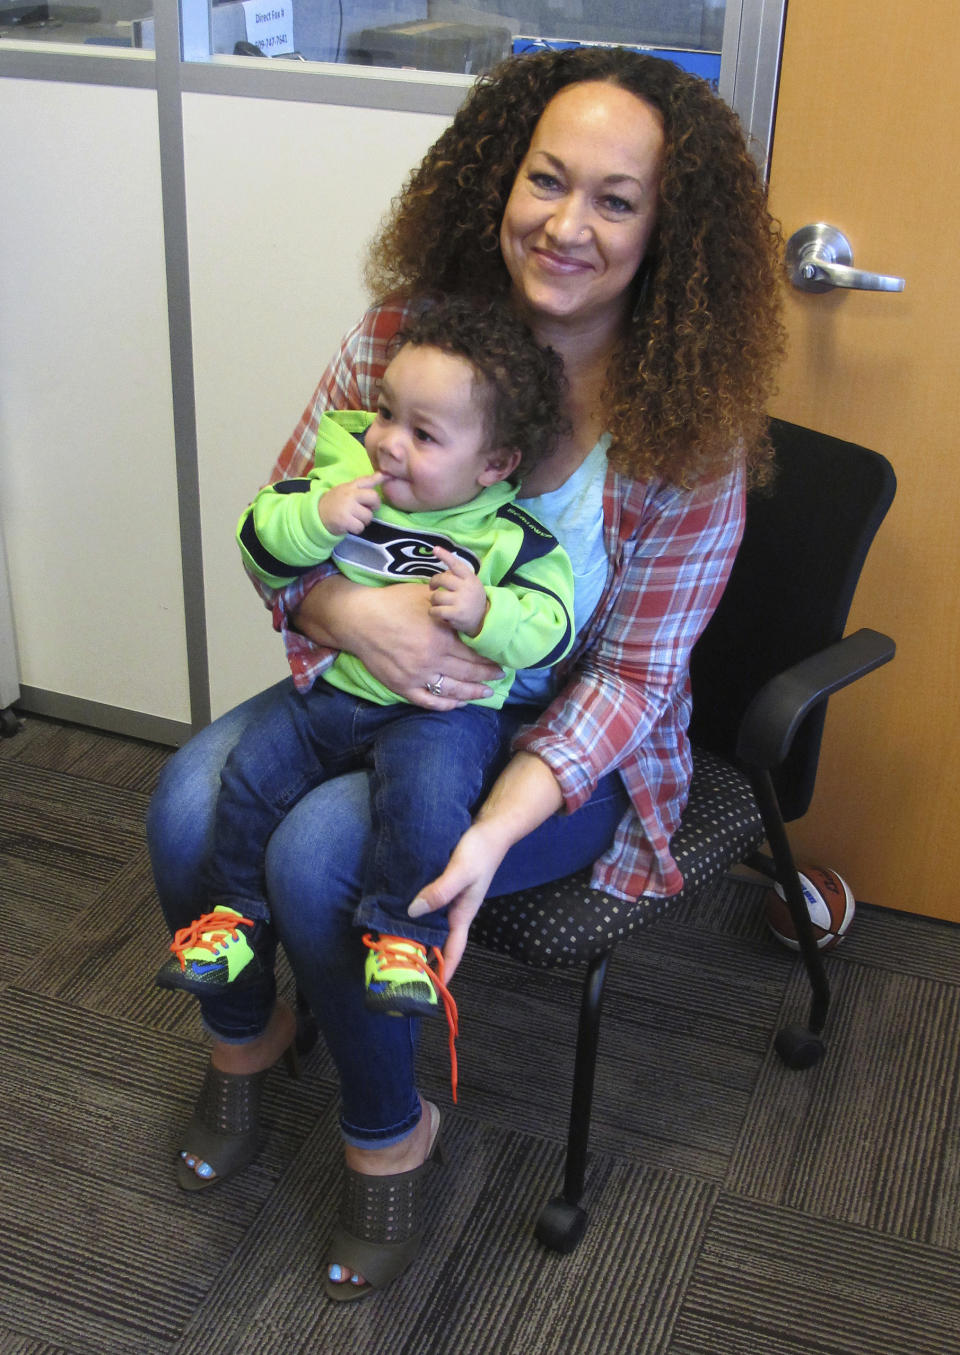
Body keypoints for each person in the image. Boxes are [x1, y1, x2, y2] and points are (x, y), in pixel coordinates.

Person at [147, 45, 783, 1301]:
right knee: (181, 797)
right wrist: (348, 610)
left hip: (555, 752)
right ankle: (247, 1038)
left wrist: (494, 834)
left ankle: (389, 1133)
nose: (566, 222)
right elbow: (286, 521)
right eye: (547, 179)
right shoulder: (400, 337)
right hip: (373, 677)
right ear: (500, 176)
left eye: (616, 198)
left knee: (322, 861)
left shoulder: (687, 429)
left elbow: (637, 680)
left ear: (669, 229)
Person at [155, 299, 575, 1073]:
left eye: (423, 434)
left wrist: (487, 612)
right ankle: (232, 917)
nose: (386, 442)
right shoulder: (347, 470)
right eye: (385, 412)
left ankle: (401, 943)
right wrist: (318, 515)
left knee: (426, 803)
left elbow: (552, 623)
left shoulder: (510, 535)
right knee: (246, 779)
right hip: (337, 688)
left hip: (440, 717)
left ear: (493, 465)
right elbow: (260, 538)